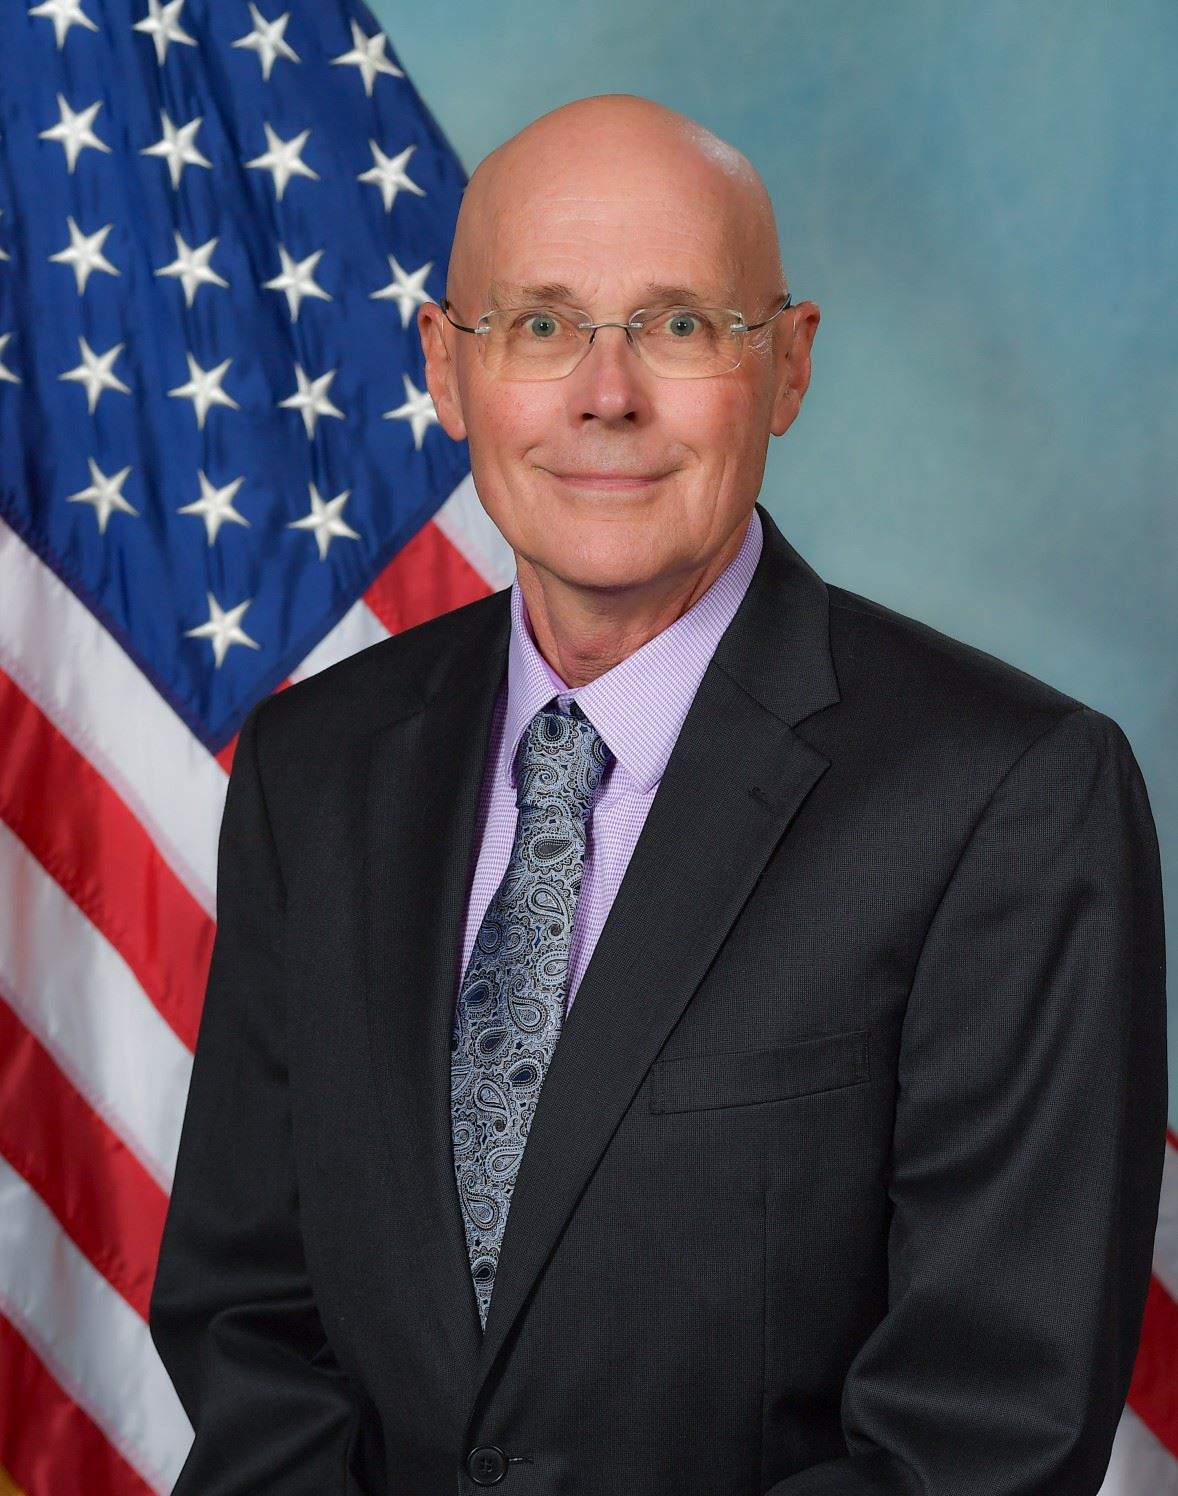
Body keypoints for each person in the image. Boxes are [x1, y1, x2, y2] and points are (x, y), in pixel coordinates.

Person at [149, 94, 1167, 1495]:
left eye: (681, 324)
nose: (605, 393)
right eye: (541, 323)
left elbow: (979, 1435)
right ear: (447, 367)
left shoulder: (1011, 799)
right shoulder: (315, 769)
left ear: (789, 365)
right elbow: (248, 1317)